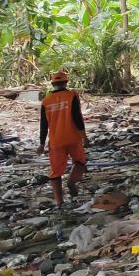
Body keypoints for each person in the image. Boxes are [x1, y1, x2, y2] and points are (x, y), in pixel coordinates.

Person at [38, 70, 87, 208]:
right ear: (65, 82)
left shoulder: (46, 101)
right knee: (80, 162)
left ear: (52, 84)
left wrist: (41, 144)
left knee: (55, 172)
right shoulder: (71, 96)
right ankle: (71, 182)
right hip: (73, 138)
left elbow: (43, 124)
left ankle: (59, 202)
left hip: (56, 141)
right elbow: (77, 118)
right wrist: (85, 137)